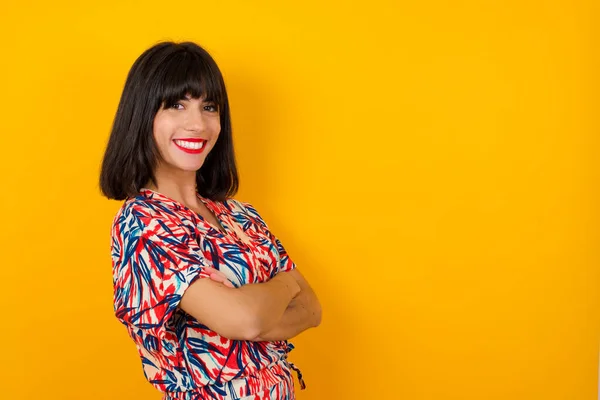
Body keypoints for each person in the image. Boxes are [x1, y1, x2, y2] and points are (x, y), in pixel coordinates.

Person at [99, 41, 322, 400]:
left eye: (208, 107)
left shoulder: (240, 216)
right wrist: (282, 288)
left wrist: (255, 314)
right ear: (142, 116)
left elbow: (312, 308)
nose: (197, 124)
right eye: (176, 105)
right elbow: (245, 320)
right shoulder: (143, 223)